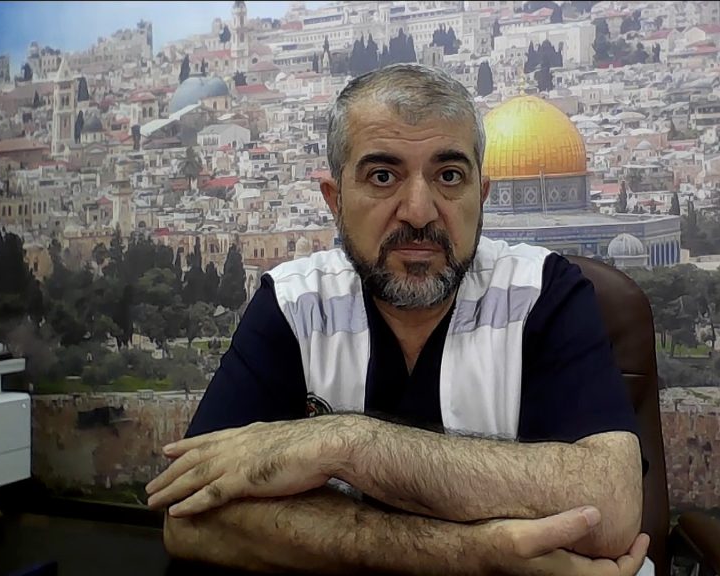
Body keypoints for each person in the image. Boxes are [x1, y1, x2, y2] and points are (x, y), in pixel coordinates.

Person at [147, 63, 650, 576]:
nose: (418, 211)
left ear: (481, 196)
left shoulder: (542, 294)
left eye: (448, 176)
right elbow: (189, 520)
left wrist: (345, 445)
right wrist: (470, 554)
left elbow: (608, 509)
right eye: (383, 177)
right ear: (335, 200)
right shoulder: (296, 304)